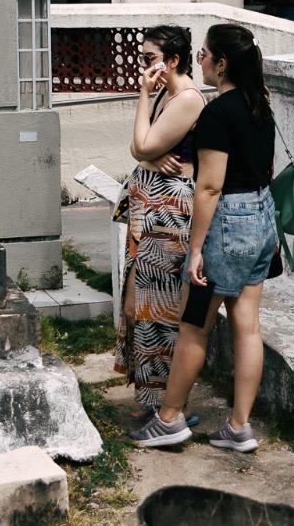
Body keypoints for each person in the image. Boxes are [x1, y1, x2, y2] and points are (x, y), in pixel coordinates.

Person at [131, 23, 278, 453]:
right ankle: (239, 426)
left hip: (227, 225)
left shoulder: (217, 113)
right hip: (261, 219)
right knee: (247, 326)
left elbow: (210, 188)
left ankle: (170, 418)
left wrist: (195, 248)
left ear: (222, 62)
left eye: (205, 56)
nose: (202, 62)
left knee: (195, 325)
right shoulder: (259, 105)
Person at [116, 25, 206, 418]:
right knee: (139, 304)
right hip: (149, 209)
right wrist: (147, 158)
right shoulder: (164, 96)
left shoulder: (185, 99)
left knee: (160, 309)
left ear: (172, 61)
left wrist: (141, 98)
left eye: (149, 58)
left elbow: (143, 144)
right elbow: (140, 149)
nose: (143, 65)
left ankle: (169, 407)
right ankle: (153, 400)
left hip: (169, 214)